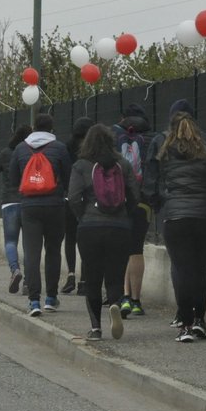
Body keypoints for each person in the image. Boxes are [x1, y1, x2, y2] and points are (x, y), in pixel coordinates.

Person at [144, 100, 206, 342]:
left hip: (176, 217)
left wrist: (164, 204)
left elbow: (149, 185)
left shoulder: (161, 143)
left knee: (182, 270)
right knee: (201, 270)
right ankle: (201, 321)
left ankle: (185, 324)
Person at [67, 122, 142, 341]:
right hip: (119, 228)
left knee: (92, 277)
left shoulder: (81, 165)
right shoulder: (123, 165)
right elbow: (135, 195)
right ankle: (116, 304)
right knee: (115, 274)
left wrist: (83, 216)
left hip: (90, 228)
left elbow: (73, 197)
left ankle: (95, 328)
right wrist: (124, 215)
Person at [6, 113, 74, 317]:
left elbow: (13, 179)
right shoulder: (60, 148)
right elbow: (69, 177)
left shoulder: (20, 148)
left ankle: (34, 300)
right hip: (55, 205)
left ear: (35, 127)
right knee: (53, 251)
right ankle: (51, 298)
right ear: (52, 129)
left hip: (29, 207)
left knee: (32, 254)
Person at [114, 104, 154, 317]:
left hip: (120, 202)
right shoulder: (152, 139)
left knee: (121, 249)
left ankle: (124, 297)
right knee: (136, 249)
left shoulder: (114, 137)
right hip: (143, 202)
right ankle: (137, 300)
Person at [0, 124, 33, 294]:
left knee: (10, 241)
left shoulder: (8, 152)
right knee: (30, 244)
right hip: (29, 202)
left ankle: (15, 270)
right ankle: (29, 282)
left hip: (9, 202)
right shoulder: (32, 153)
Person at [64, 116, 95, 296]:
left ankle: (70, 273)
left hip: (70, 197)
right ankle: (84, 279)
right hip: (89, 199)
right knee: (85, 240)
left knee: (70, 237)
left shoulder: (67, 147)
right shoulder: (93, 150)